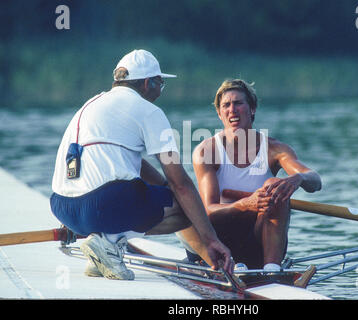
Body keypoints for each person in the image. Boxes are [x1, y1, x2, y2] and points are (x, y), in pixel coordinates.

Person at [50, 49, 233, 280]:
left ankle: (101, 248)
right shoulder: (150, 111)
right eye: (161, 84)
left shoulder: (92, 103)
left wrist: (164, 187)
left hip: (62, 208)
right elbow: (182, 184)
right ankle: (109, 243)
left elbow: (139, 164)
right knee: (186, 209)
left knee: (164, 196)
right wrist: (211, 238)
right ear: (148, 83)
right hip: (99, 207)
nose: (160, 91)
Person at [190, 79, 322, 271]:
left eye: (238, 103)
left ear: (252, 109)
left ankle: (271, 271)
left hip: (262, 241)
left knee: (274, 183)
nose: (232, 110)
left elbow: (315, 181)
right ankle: (238, 266)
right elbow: (209, 210)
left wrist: (299, 178)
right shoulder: (206, 152)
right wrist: (245, 205)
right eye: (226, 105)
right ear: (219, 114)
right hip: (224, 241)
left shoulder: (275, 149)